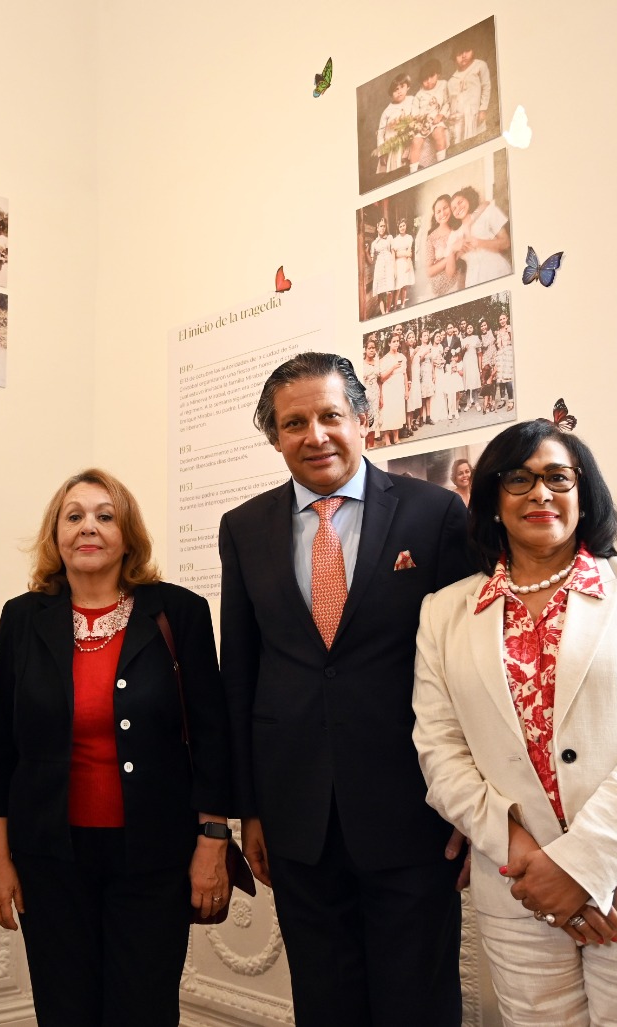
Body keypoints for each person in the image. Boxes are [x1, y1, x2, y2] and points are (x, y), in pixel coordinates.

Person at [412, 420, 617, 1024]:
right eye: (518, 479)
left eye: (557, 477)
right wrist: (526, 860)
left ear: (583, 492)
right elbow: (440, 751)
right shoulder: (444, 612)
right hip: (521, 898)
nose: (540, 493)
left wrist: (579, 866)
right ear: (490, 501)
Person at [218, 351, 473, 1025]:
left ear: (364, 419)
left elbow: (466, 669)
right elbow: (240, 672)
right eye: (293, 422)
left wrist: (471, 807)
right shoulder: (244, 529)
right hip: (298, 817)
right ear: (275, 437)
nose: (315, 434)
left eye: (331, 415)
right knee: (325, 1004)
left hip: (415, 814)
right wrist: (251, 809)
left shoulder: (435, 514)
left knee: (416, 1002)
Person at [0, 469, 232, 1026]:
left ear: (127, 534)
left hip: (156, 855)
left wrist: (212, 842)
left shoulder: (177, 613)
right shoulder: (22, 617)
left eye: (106, 516)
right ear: (55, 535)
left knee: (144, 1009)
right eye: (75, 516)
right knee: (65, 1011)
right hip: (49, 857)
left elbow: (211, 736)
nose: (90, 527)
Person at [451, 186, 514, 288]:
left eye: (460, 202)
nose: (458, 208)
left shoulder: (486, 213)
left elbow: (506, 243)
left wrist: (479, 242)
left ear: (468, 198)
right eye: (453, 208)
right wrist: (453, 249)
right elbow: (451, 266)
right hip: (473, 281)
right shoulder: (455, 234)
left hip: (497, 272)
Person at [448, 42, 493, 145]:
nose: (464, 56)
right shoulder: (452, 80)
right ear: (454, 58)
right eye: (459, 54)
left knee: (479, 143)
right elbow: (452, 101)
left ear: (472, 51)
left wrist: (482, 110)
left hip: (474, 115)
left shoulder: (480, 66)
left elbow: (486, 87)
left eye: (467, 51)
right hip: (459, 120)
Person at [414, 59, 451, 164]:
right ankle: (415, 170)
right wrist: (420, 122)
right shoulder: (419, 94)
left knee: (438, 133)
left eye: (431, 76)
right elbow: (416, 112)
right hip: (423, 122)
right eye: (425, 79)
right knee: (416, 142)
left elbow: (448, 102)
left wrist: (441, 114)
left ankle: (441, 162)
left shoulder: (443, 85)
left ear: (438, 74)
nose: (428, 81)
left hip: (438, 119)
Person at [426, 194, 461, 300]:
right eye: (438, 211)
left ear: (451, 208)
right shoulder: (431, 237)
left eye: (445, 208)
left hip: (457, 284)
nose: (442, 213)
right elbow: (429, 271)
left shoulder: (458, 230)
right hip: (436, 291)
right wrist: (450, 256)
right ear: (435, 216)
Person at [378, 333, 407, 446]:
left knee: (397, 412)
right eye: (393, 341)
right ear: (389, 343)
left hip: (399, 388)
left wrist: (406, 390)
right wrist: (393, 367)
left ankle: (396, 437)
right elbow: (382, 378)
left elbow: (404, 374)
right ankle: (387, 440)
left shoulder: (402, 357)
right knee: (388, 412)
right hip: (389, 389)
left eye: (397, 341)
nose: (396, 343)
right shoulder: (384, 359)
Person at [369, 218, 396, 316]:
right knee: (380, 293)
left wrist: (394, 267)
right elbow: (371, 260)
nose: (382, 228)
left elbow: (393, 252)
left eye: (384, 226)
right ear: (377, 227)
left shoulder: (389, 238)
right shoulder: (374, 243)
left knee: (389, 292)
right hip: (379, 267)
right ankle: (384, 313)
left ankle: (388, 311)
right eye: (381, 226)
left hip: (389, 266)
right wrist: (365, 251)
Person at [393, 217, 416, 309]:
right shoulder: (395, 240)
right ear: (398, 227)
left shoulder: (409, 237)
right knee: (398, 286)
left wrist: (409, 263)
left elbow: (409, 252)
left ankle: (402, 304)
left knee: (405, 286)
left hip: (406, 262)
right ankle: (394, 306)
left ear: (406, 226)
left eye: (403, 226)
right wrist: (404, 253)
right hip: (399, 264)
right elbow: (395, 255)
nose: (402, 228)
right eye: (400, 226)